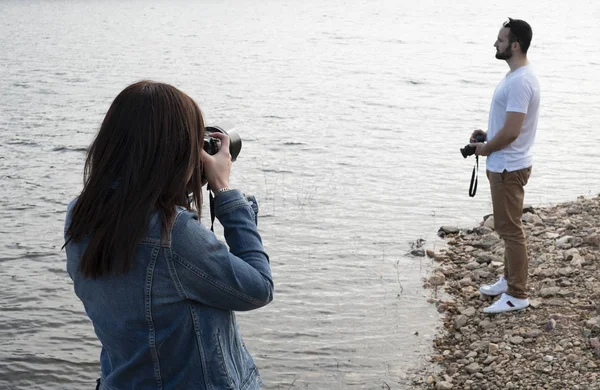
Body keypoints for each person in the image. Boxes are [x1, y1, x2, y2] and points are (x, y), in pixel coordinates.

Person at [64, 80, 274, 389]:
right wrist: (225, 191)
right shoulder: (173, 233)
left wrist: (177, 189)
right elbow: (259, 287)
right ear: (174, 152)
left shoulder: (80, 215)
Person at [469, 18, 540, 314]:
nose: (494, 44)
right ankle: (509, 279)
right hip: (505, 164)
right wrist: (487, 136)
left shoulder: (522, 80)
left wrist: (486, 148)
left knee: (510, 230)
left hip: (508, 167)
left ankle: (517, 294)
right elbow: (509, 127)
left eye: (499, 40)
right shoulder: (516, 77)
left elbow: (512, 133)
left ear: (514, 45)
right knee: (507, 226)